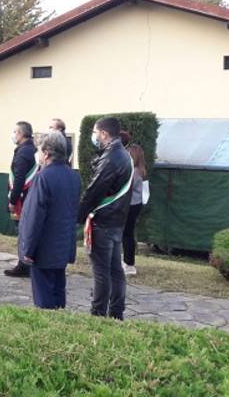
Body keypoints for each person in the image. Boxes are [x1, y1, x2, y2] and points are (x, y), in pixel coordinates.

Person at [78, 117, 133, 320]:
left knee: (102, 272)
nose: (94, 136)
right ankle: (116, 312)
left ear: (103, 133)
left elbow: (94, 190)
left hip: (104, 222)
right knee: (115, 270)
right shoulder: (123, 153)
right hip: (117, 221)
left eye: (95, 132)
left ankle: (98, 313)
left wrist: (79, 215)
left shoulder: (111, 157)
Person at [19, 130, 81, 309]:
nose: (37, 154)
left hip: (44, 248)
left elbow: (34, 217)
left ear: (46, 153)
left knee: (44, 297)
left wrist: (28, 250)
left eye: (38, 150)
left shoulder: (43, 177)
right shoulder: (73, 176)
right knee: (58, 290)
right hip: (63, 245)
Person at [4, 121, 37, 278]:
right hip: (31, 196)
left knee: (24, 232)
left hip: (23, 199)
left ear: (22, 134)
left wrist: (12, 200)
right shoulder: (33, 149)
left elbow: (19, 179)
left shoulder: (23, 152)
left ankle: (24, 265)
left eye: (15, 131)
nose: (13, 135)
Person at [122, 144, 147, 276]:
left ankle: (129, 263)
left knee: (127, 235)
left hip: (131, 205)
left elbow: (126, 190)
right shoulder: (139, 171)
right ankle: (127, 261)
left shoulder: (135, 172)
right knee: (127, 234)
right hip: (134, 204)